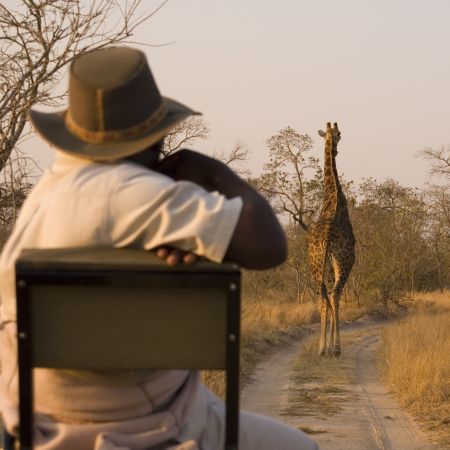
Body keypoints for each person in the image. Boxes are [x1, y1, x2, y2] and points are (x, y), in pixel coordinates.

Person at [0, 46, 319, 450]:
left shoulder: (50, 187)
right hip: (146, 418)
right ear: (154, 140)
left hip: (32, 414)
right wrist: (212, 172)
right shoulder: (140, 193)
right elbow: (269, 246)